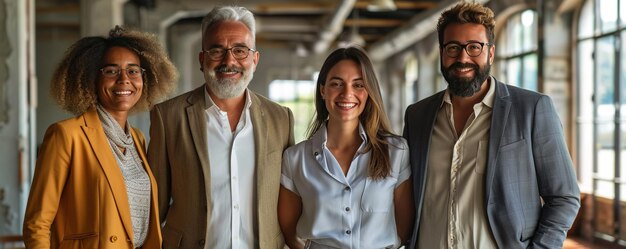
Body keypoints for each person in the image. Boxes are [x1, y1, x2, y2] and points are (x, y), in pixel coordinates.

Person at [403, 2, 580, 249]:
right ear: (442, 52)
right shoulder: (417, 116)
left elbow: (563, 197)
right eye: (453, 47)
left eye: (474, 47)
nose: (462, 57)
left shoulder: (532, 109)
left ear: (491, 53)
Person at [147, 6, 294, 249]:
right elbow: (155, 207)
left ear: (254, 60)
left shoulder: (281, 118)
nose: (229, 61)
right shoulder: (168, 117)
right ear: (202, 60)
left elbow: (289, 202)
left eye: (240, 50)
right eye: (217, 50)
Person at [23, 26, 178, 248]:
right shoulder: (66, 135)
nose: (124, 79)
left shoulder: (138, 138)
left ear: (146, 79)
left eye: (133, 71)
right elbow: (36, 224)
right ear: (91, 78)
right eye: (111, 71)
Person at [278, 46, 414, 249]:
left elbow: (404, 228)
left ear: (369, 92)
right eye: (337, 83)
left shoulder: (396, 152)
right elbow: (290, 232)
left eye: (358, 85)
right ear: (323, 90)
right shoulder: (295, 159)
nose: (347, 93)